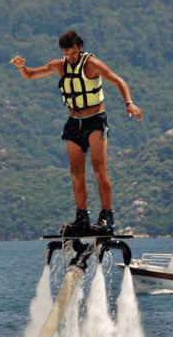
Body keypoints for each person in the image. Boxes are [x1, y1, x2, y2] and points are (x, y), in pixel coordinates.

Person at [10, 31, 143, 234]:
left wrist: (129, 103)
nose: (70, 56)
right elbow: (30, 74)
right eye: (66, 52)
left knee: (99, 170)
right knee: (76, 173)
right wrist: (21, 67)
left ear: (80, 47)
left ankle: (107, 217)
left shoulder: (92, 64)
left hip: (95, 120)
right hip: (74, 123)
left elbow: (118, 81)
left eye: (73, 51)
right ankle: (81, 217)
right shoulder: (59, 65)